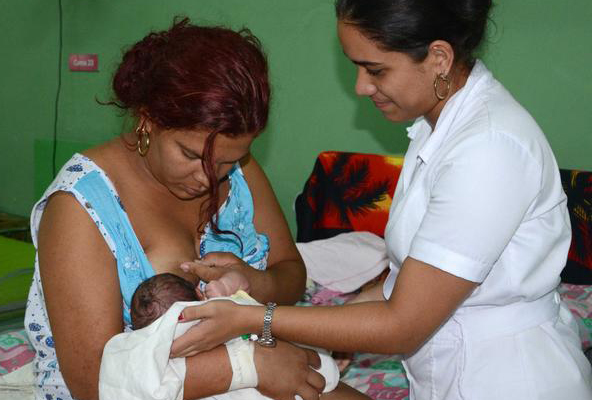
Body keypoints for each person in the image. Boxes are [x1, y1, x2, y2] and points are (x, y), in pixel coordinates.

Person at [172, 1, 592, 399]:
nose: (360, 86)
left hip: (507, 380)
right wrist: (327, 328)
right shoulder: (439, 127)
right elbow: (405, 280)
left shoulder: (488, 148)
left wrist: (251, 318)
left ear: (439, 59)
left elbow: (401, 324)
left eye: (374, 70)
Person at [24, 17, 367, 400]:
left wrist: (254, 283)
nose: (208, 178)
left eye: (226, 161)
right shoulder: (81, 206)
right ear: (147, 119)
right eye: (190, 154)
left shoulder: (238, 173)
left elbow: (290, 275)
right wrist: (246, 366)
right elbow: (91, 382)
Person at [116, 272, 339, 400]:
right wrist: (225, 288)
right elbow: (246, 295)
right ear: (199, 294)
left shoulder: (145, 356)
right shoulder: (227, 307)